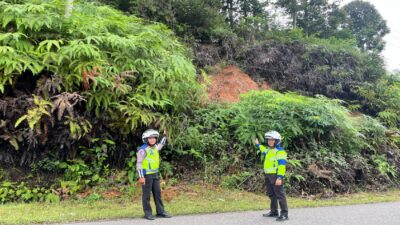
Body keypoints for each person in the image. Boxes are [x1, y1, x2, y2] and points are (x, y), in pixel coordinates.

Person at [136, 128, 172, 220]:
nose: (152, 140)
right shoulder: (143, 150)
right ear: (146, 139)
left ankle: (160, 212)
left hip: (155, 174)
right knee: (146, 195)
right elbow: (139, 164)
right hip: (146, 175)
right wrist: (141, 177)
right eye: (150, 138)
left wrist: (164, 136)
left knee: (157, 193)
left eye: (154, 138)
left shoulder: (155, 147)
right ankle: (147, 213)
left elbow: (161, 144)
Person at [255, 130, 289, 221]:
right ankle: (274, 211)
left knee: (280, 195)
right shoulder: (269, 150)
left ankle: (284, 214)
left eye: (272, 140)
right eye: (269, 140)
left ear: (277, 140)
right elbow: (263, 150)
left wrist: (279, 177)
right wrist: (258, 145)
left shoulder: (280, 151)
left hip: (276, 176)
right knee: (272, 195)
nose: (270, 141)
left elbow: (282, 166)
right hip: (268, 175)